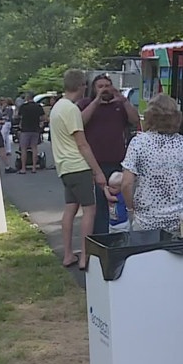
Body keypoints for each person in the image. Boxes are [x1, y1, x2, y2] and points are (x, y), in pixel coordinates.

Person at [49, 70, 109, 268]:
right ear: (82, 85)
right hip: (78, 166)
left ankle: (68, 254)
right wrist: (98, 172)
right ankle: (85, 256)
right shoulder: (71, 109)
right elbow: (82, 144)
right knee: (89, 210)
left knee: (70, 210)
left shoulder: (58, 107)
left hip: (64, 167)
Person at [119, 94, 183, 234]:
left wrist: (130, 207)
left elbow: (127, 183)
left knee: (145, 255)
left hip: (147, 220)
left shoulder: (139, 143)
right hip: (182, 219)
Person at [77, 74, 141, 234]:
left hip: (117, 162)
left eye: (107, 85)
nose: (105, 89)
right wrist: (97, 101)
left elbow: (136, 121)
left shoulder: (119, 106)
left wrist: (124, 101)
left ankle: (117, 237)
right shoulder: (86, 104)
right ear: (93, 89)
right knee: (99, 205)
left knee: (117, 203)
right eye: (100, 86)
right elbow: (79, 122)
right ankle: (99, 239)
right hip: (95, 163)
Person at [16, 91, 46, 174]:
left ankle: (23, 168)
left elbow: (18, 116)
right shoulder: (38, 106)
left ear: (27, 97)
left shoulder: (23, 107)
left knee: (24, 149)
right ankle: (34, 168)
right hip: (35, 130)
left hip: (25, 130)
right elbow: (43, 117)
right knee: (34, 148)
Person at [0, 97, 16, 170]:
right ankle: (8, 150)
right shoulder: (10, 108)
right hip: (8, 123)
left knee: (2, 136)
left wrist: (1, 112)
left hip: (6, 123)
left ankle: (1, 150)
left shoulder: (8, 108)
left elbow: (4, 115)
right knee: (7, 137)